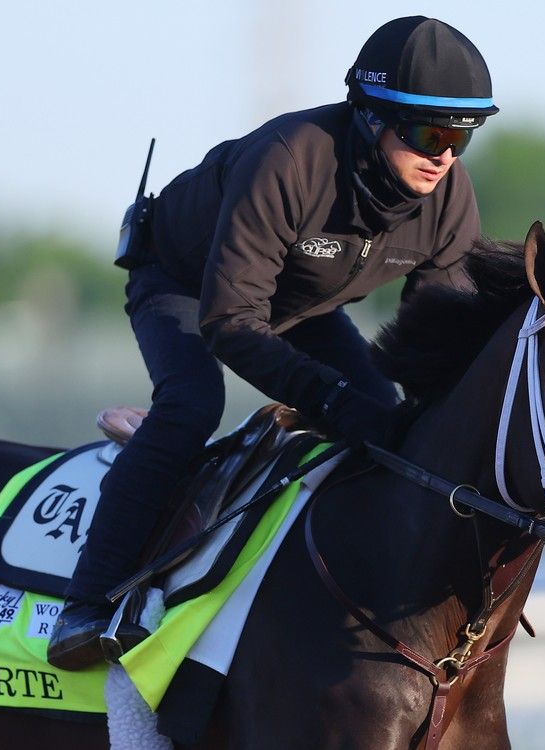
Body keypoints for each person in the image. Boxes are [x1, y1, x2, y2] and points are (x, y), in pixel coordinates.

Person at [48, 15, 499, 670]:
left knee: (390, 429)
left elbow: (439, 355)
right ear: (372, 118)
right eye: (430, 131)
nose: (445, 155)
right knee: (192, 404)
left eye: (462, 135)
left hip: (299, 305)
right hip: (186, 284)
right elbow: (230, 319)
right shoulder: (289, 160)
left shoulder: (450, 201)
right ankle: (85, 604)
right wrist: (330, 397)